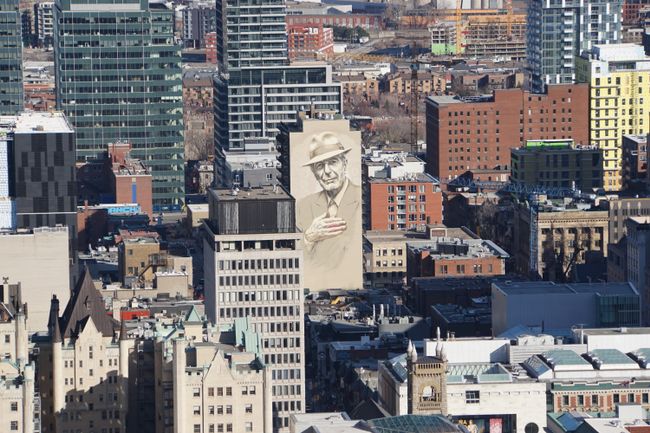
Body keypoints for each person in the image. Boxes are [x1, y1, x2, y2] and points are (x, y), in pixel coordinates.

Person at [296, 132, 361, 288]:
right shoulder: (303, 206)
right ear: (313, 172)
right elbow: (294, 260)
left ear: (344, 163)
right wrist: (309, 238)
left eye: (333, 162)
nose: (327, 171)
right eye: (320, 166)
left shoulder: (361, 199)